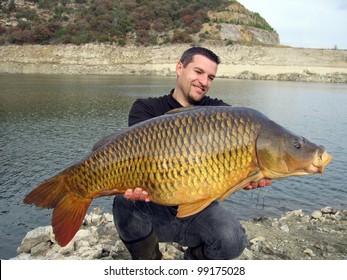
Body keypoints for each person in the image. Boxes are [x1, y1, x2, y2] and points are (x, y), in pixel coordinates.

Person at [112, 47, 271, 260]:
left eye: (210, 77)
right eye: (198, 72)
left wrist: (246, 175)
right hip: (155, 206)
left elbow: (237, 157)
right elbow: (136, 159)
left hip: (200, 209)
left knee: (232, 240)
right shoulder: (146, 109)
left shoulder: (222, 114)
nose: (204, 82)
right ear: (180, 68)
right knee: (124, 203)